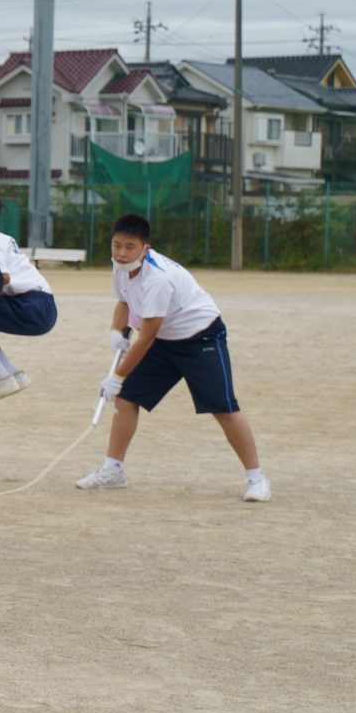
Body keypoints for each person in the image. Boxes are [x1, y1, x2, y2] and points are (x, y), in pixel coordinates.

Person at [79, 214, 268, 500]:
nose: (121, 253)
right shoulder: (120, 266)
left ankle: (257, 478)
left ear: (145, 248)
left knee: (224, 407)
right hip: (164, 338)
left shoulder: (158, 278)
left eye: (129, 247)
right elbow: (125, 301)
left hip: (200, 337)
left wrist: (117, 376)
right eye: (116, 245)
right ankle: (113, 470)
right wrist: (116, 331)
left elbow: (147, 336)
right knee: (127, 399)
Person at [0, 200, 57, 401]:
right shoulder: (0, 237)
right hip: (41, 303)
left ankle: (1, 376)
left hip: (30, 304)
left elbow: (2, 276)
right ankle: (11, 374)